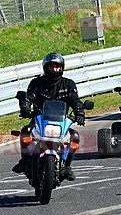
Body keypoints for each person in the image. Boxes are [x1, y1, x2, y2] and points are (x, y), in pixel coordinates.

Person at [12, 53, 85, 181]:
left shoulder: (68, 84)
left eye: (57, 66)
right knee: (25, 132)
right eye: (52, 66)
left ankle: (67, 165)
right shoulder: (36, 83)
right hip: (39, 118)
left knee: (75, 137)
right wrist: (25, 108)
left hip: (61, 120)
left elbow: (75, 100)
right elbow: (28, 98)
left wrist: (80, 114)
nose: (55, 69)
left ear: (62, 67)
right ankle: (24, 161)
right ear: (46, 67)